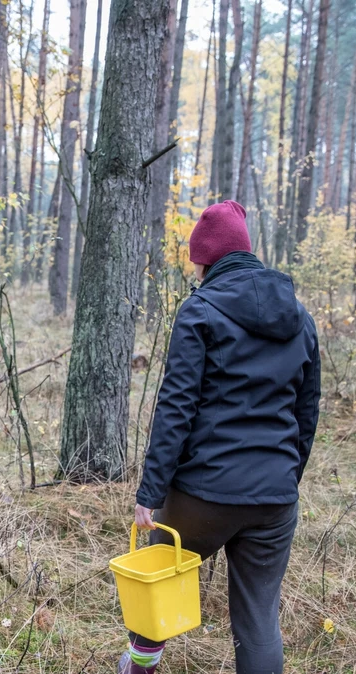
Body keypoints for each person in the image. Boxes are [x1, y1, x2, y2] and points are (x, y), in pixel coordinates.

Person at [120, 200, 321, 674]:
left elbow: (176, 408)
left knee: (155, 579)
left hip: (204, 496)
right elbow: (306, 414)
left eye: (196, 262)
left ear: (206, 259)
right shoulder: (300, 317)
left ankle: (138, 670)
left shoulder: (200, 311)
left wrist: (149, 493)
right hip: (274, 499)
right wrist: (285, 479)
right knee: (258, 623)